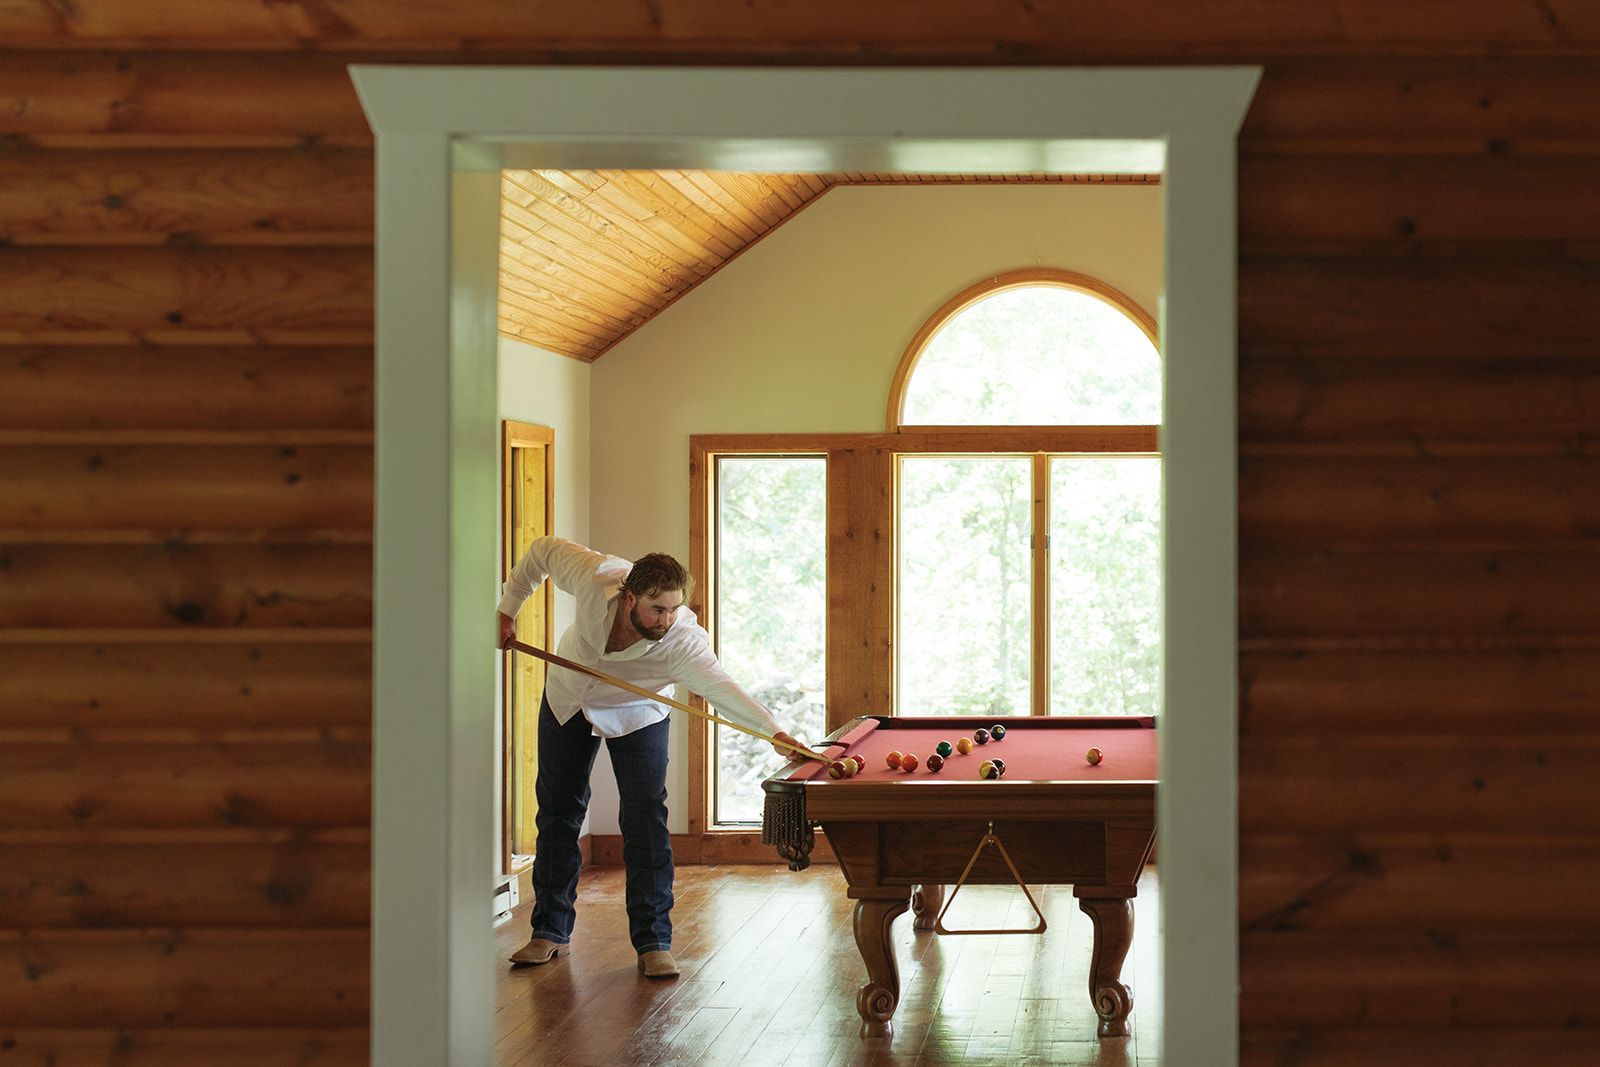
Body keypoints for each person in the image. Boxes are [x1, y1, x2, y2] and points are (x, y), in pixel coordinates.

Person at [497, 535, 806, 979]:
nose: (666, 618)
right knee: (559, 813)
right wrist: (508, 609)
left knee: (644, 819)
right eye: (656, 609)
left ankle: (653, 940)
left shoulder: (682, 642)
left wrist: (774, 732)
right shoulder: (593, 574)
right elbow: (542, 550)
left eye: (674, 609)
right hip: (569, 699)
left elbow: (722, 688)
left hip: (637, 711)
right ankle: (549, 931)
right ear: (628, 598)